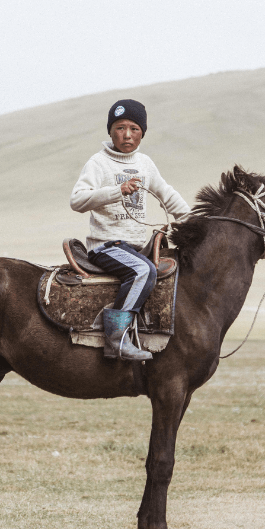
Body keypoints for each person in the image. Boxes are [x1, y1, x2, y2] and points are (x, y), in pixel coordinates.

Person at [70, 99, 190, 361]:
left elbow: (166, 194)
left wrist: (193, 221)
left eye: (134, 128)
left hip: (135, 245)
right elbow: (77, 200)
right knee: (141, 271)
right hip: (105, 246)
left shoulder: (145, 163)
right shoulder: (98, 163)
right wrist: (117, 191)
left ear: (142, 132)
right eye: (120, 127)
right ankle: (118, 340)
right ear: (110, 131)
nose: (127, 135)